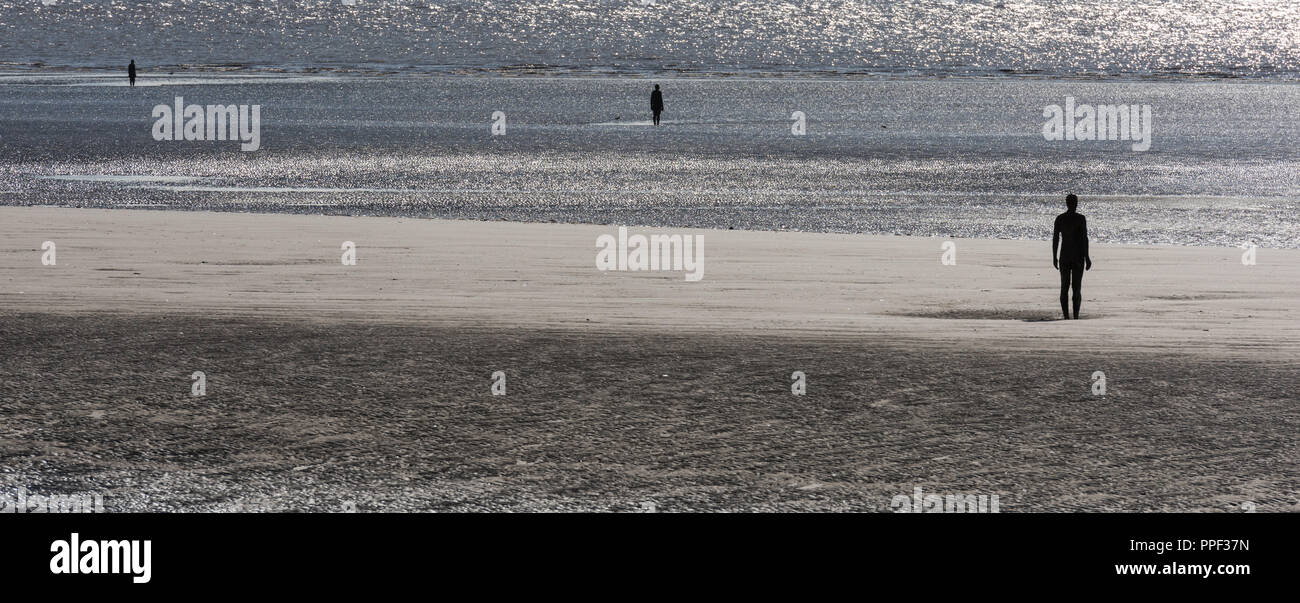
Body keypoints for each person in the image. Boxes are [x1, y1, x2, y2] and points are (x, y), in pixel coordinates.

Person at [1052, 193, 1092, 320]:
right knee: (1075, 287)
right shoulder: (1080, 219)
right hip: (1077, 257)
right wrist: (1087, 256)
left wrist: (1054, 256)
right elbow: (1084, 239)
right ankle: (1074, 316)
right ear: (1074, 203)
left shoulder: (1061, 218)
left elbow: (1055, 240)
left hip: (1066, 256)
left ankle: (1068, 316)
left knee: (1066, 287)